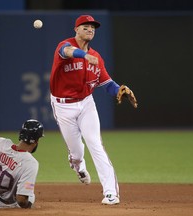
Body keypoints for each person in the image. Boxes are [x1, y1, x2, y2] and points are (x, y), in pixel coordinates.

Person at [49, 15, 137, 205]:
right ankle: (78, 165)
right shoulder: (64, 46)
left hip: (86, 104)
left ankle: (111, 193)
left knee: (95, 144)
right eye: (86, 26)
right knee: (77, 153)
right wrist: (84, 55)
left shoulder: (96, 57)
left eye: (93, 28)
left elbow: (107, 84)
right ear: (76, 29)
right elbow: (67, 51)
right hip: (63, 106)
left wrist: (120, 89)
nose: (90, 30)